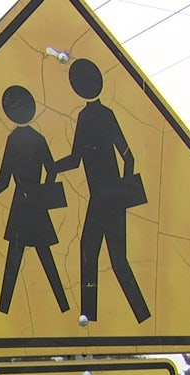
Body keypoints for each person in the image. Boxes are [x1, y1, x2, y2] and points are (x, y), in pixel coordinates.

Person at [54, 58, 151, 324]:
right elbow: (123, 157)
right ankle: (132, 316)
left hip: (104, 198)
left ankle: (93, 318)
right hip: (107, 199)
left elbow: (81, 159)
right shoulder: (96, 115)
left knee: (98, 254)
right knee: (109, 256)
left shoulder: (93, 116)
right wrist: (122, 190)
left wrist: (51, 167)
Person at [0, 84, 71, 315]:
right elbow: (51, 169)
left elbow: (4, 179)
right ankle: (63, 306)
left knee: (16, 260)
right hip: (36, 203)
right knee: (39, 256)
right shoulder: (38, 138)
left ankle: (4, 309)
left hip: (22, 204)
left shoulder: (15, 139)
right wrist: (45, 191)